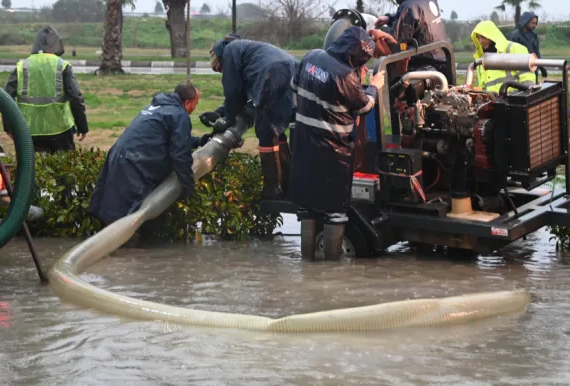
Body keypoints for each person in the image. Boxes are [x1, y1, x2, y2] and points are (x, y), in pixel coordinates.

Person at [288, 26, 386, 262]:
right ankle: (332, 268)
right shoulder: (346, 75)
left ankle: (307, 262)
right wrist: (373, 85)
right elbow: (364, 106)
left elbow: (295, 87)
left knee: (308, 207)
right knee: (335, 211)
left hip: (303, 144)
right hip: (334, 152)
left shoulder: (311, 56)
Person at [88, 81, 212, 227]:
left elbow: (171, 139)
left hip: (119, 156)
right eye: (195, 104)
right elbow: (180, 156)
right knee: (128, 220)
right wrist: (188, 188)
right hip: (134, 163)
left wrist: (199, 141)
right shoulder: (179, 114)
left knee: (113, 211)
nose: (195, 108)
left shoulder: (158, 107)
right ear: (186, 102)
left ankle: (114, 248)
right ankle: (125, 249)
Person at [202, 35, 299, 200]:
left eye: (220, 69)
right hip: (293, 70)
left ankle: (272, 189)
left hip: (273, 73)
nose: (222, 72)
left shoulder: (230, 51)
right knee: (277, 131)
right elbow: (243, 94)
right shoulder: (249, 53)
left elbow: (232, 90)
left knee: (265, 133)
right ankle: (288, 184)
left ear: (219, 58)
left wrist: (228, 121)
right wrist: (220, 112)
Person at [3, 26, 88, 153]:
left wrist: (8, 126)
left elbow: (6, 99)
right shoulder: (62, 65)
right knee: (63, 170)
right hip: (60, 131)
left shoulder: (22, 66)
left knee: (29, 170)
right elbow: (75, 97)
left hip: (27, 131)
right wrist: (82, 125)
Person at [374, 0, 451, 80]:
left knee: (391, 65)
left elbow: (397, 38)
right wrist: (389, 18)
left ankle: (392, 96)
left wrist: (379, 31)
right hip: (442, 56)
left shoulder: (409, 6)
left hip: (424, 60)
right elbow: (413, 20)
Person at [470, 21, 537, 93]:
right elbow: (483, 87)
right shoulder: (481, 60)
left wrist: (520, 99)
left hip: (515, 102)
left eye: (483, 36)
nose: (480, 41)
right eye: (478, 37)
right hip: (494, 103)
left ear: (492, 35)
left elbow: (528, 81)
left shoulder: (515, 49)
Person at [510, 12, 547, 79]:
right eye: (532, 23)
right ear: (526, 22)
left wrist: (542, 68)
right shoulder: (515, 36)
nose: (534, 25)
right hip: (520, 69)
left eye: (536, 23)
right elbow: (511, 54)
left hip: (533, 69)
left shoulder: (534, 36)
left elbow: (537, 53)